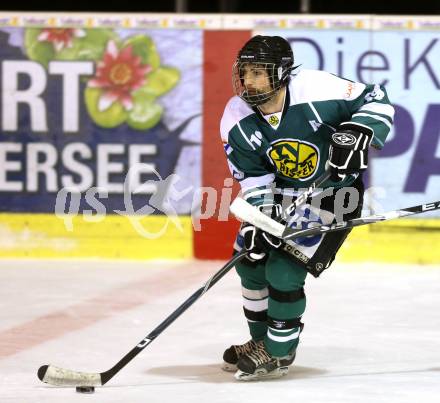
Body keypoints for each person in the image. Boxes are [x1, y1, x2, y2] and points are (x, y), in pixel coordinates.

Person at [219, 35, 394, 381]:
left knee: (283, 270)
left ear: (282, 73)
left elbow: (377, 98)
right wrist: (260, 221)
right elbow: (254, 181)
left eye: (259, 72)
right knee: (250, 264)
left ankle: (280, 351)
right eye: (245, 72)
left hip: (334, 195)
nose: (249, 81)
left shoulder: (316, 88)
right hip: (283, 195)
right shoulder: (236, 117)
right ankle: (262, 343)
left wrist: (359, 130)